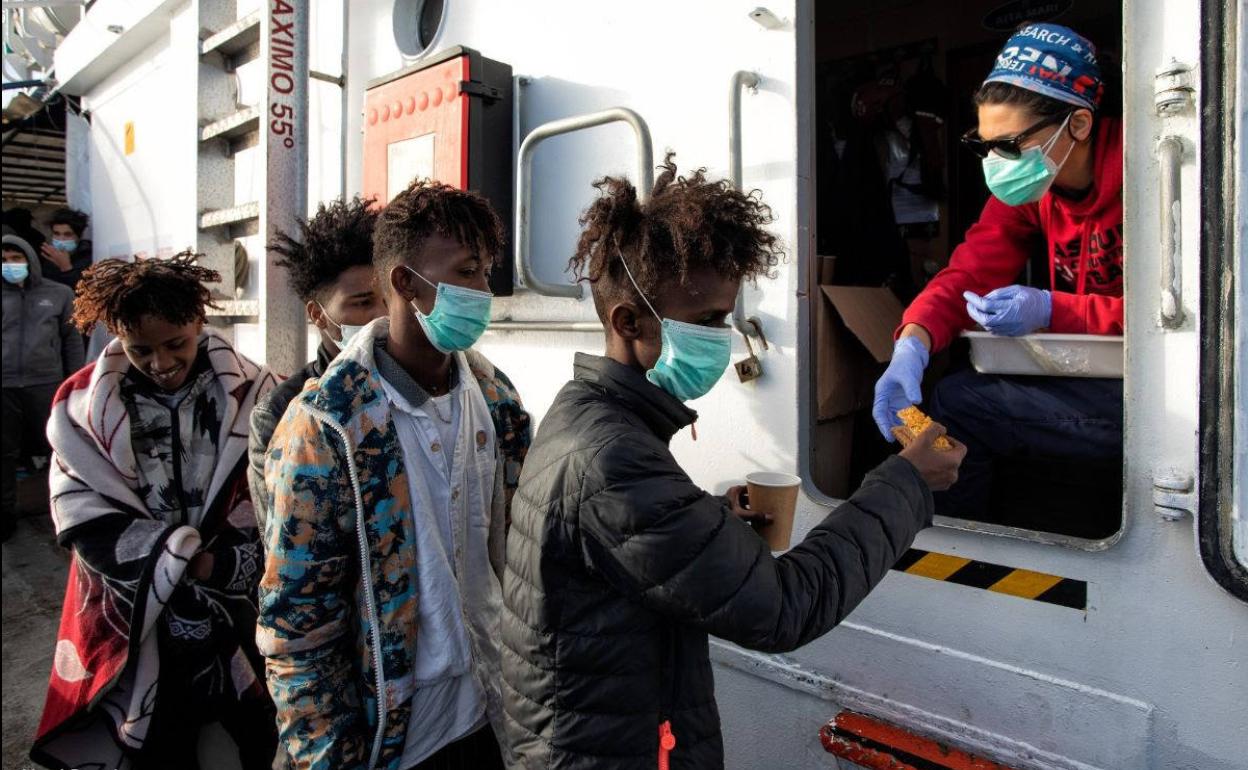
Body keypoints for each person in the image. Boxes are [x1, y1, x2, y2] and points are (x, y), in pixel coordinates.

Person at [501, 155, 965, 768]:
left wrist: (710, 522)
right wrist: (909, 480)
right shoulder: (611, 458)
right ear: (629, 320)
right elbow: (785, 606)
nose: (723, 339)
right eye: (710, 321)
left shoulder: (591, 412)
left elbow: (630, 548)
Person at [258, 180, 532, 770]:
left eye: (484, 271)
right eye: (465, 272)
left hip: (494, 709)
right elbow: (297, 627)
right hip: (397, 738)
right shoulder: (325, 428)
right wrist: (333, 757)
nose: (482, 291)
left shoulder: (493, 395)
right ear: (405, 283)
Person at [30, 253, 279, 770]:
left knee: (260, 734)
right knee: (160, 742)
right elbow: (81, 507)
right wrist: (169, 564)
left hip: (237, 603)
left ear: (199, 322)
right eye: (141, 350)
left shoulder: (256, 394)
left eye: (176, 344)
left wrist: (217, 565)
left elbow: (275, 498)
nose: (162, 363)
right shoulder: (80, 409)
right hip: (134, 607)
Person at [872, 23, 1122, 520]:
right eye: (983, 145)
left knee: (963, 404)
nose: (994, 162)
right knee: (955, 387)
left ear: (1079, 125)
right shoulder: (1036, 190)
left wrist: (1053, 308)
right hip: (1085, 368)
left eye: (1008, 146)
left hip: (1161, 395)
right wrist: (912, 344)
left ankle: (956, 548)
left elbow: (1183, 325)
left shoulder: (1153, 177)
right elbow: (966, 273)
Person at [247, 195, 386, 531]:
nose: (382, 316)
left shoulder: (426, 387)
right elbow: (283, 540)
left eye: (390, 299)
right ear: (317, 314)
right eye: (363, 303)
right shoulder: (282, 412)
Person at [1, 234, 83, 542]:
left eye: (16, 258)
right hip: (5, 386)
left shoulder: (59, 293)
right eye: (5, 260)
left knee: (60, 448)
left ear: (30, 260)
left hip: (46, 384)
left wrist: (74, 380)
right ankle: (6, 513)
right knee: (4, 453)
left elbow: (71, 339)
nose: (10, 265)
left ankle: (67, 512)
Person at [41, 207, 94, 292]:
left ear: (78, 236)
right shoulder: (48, 257)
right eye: (56, 234)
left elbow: (84, 292)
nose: (61, 239)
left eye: (67, 234)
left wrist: (66, 268)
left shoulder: (90, 258)